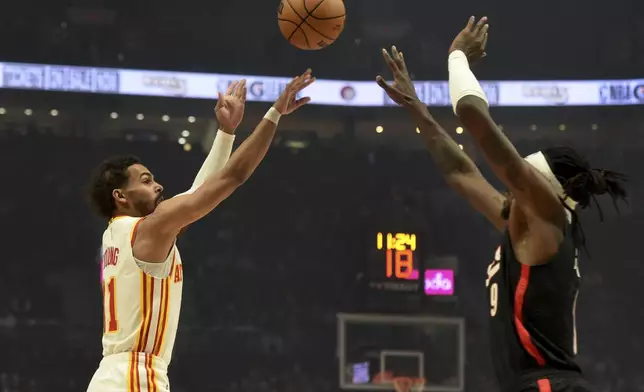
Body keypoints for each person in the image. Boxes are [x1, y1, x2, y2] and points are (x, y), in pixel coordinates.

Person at [376, 17, 627, 392]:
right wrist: (418, 110)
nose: (512, 183)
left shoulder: (550, 217)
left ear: (543, 188)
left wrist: (457, 57)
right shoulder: (523, 224)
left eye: (523, 177)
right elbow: (461, 172)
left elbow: (475, 119)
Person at [86, 70, 315, 392]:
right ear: (120, 196)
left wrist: (226, 132)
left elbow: (198, 192)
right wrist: (275, 113)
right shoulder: (150, 228)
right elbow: (230, 178)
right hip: (135, 377)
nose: (159, 185)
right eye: (146, 180)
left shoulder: (118, 233)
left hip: (110, 376)